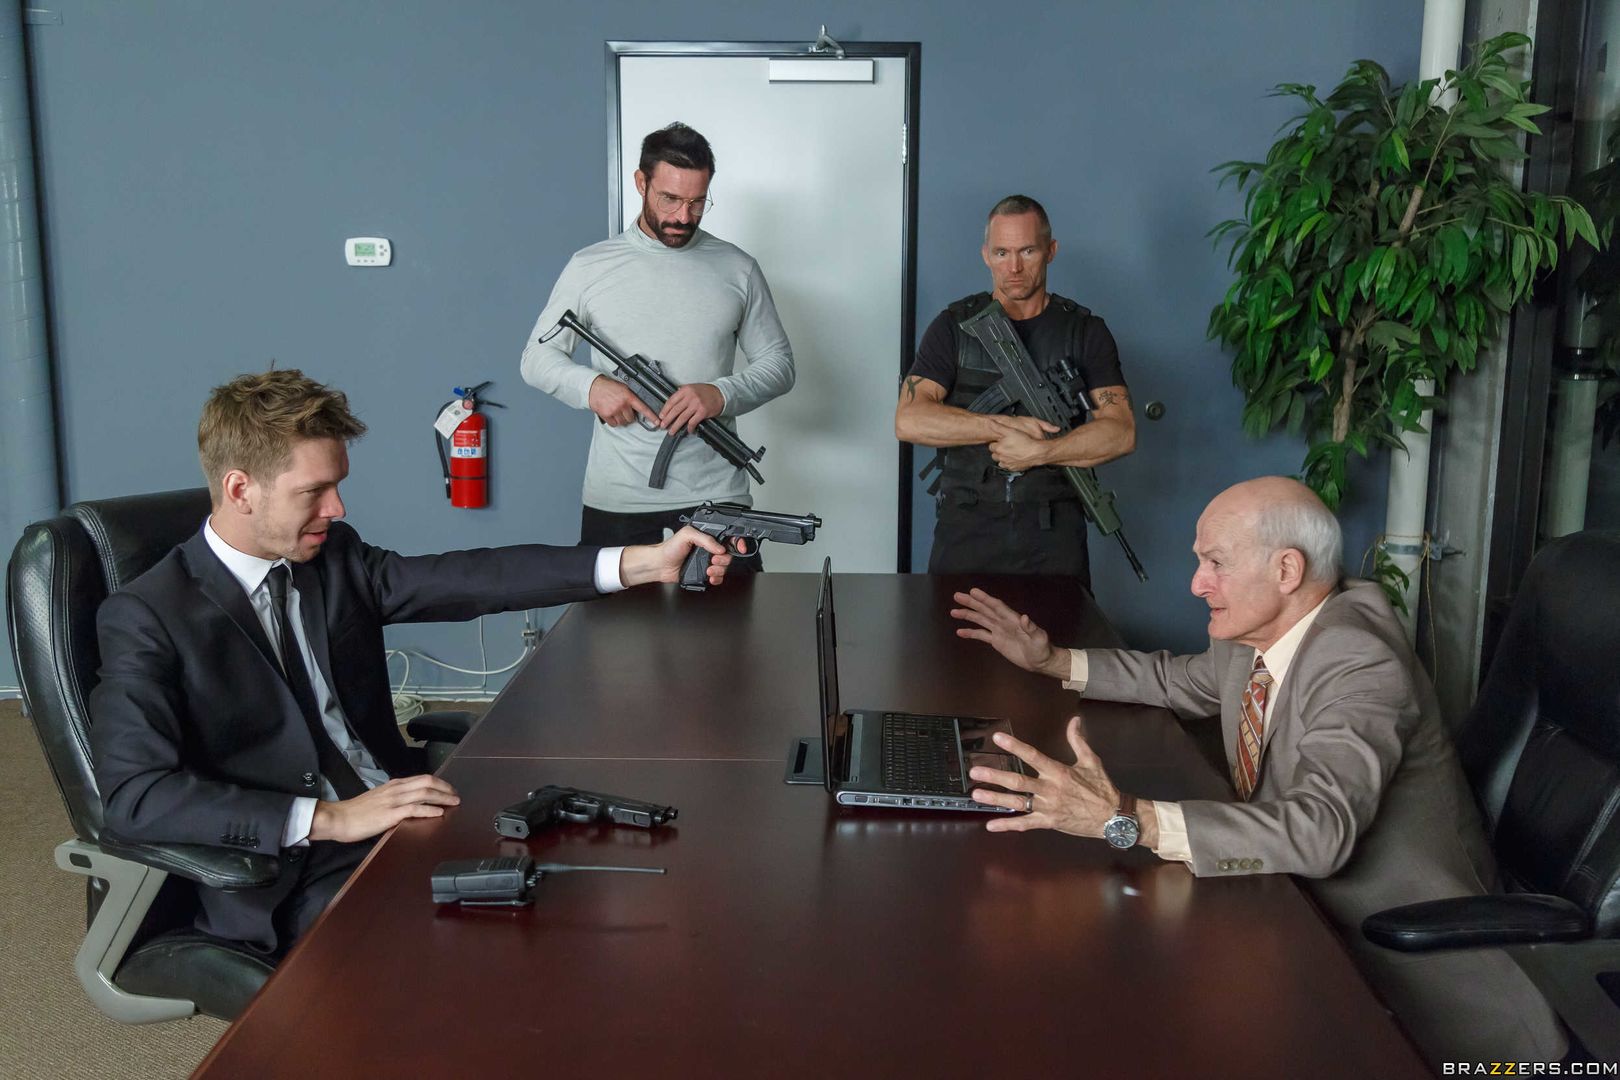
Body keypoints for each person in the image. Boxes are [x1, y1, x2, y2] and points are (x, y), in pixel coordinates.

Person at [89, 369, 736, 954]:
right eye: (314, 491)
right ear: (240, 490)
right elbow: (133, 795)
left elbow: (471, 578)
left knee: (591, 880)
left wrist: (646, 563)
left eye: (338, 486)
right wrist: (330, 818)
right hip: (296, 870)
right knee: (475, 954)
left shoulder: (331, 555)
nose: (337, 509)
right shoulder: (148, 616)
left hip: (402, 810)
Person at [949, 476, 1566, 1067]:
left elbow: (1321, 832)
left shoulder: (1359, 661)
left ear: (1287, 570)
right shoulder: (1261, 632)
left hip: (1409, 980)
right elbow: (1177, 680)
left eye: (1215, 562)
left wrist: (1126, 818)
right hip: (1295, 916)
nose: (1196, 583)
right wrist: (1052, 660)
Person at [520, 121, 795, 551]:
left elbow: (779, 365)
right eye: (670, 199)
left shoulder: (738, 268)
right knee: (612, 602)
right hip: (618, 497)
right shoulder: (589, 266)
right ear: (641, 183)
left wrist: (720, 394)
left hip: (717, 493)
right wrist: (592, 387)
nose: (683, 217)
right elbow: (536, 359)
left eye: (697, 202)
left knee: (734, 600)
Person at [895, 194, 1134, 589]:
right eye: (1002, 252)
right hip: (966, 530)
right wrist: (1003, 427)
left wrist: (1041, 451)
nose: (1014, 267)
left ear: (1051, 251)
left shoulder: (1085, 331)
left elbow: (1121, 431)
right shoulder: (953, 327)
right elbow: (909, 420)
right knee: (953, 630)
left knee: (1061, 630)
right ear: (986, 255)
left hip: (1053, 533)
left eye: (1027, 251)